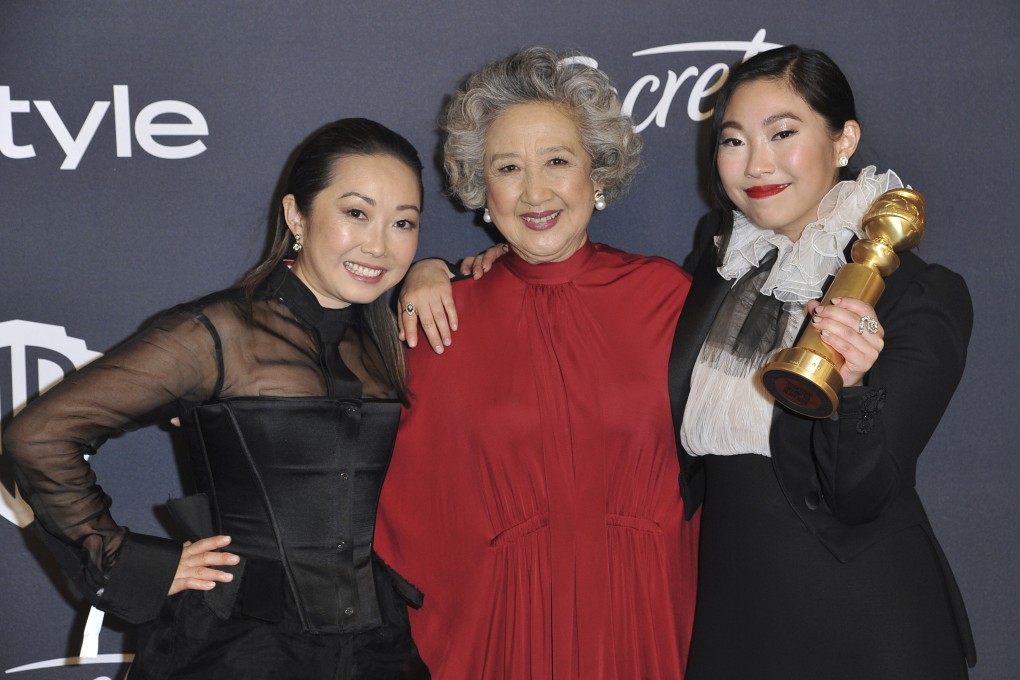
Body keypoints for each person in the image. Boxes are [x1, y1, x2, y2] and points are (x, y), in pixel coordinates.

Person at [410, 45, 977, 679]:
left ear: (844, 140)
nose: (757, 162)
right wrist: (436, 269)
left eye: (782, 133)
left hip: (861, 625)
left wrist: (856, 391)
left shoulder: (919, 295)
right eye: (734, 141)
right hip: (731, 625)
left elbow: (863, 493)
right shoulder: (715, 271)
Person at [4, 118, 431, 679]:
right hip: (239, 648)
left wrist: (435, 270)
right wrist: (134, 564)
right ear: (297, 215)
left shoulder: (379, 344)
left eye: (403, 223)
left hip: (374, 648)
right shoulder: (219, 332)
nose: (379, 244)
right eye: (356, 213)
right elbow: (36, 436)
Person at [373, 47, 700, 680]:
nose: (535, 191)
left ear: (596, 173)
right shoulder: (441, 324)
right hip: (509, 635)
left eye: (557, 161)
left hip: (650, 620)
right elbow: (404, 515)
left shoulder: (669, 299)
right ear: (480, 188)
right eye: (508, 167)